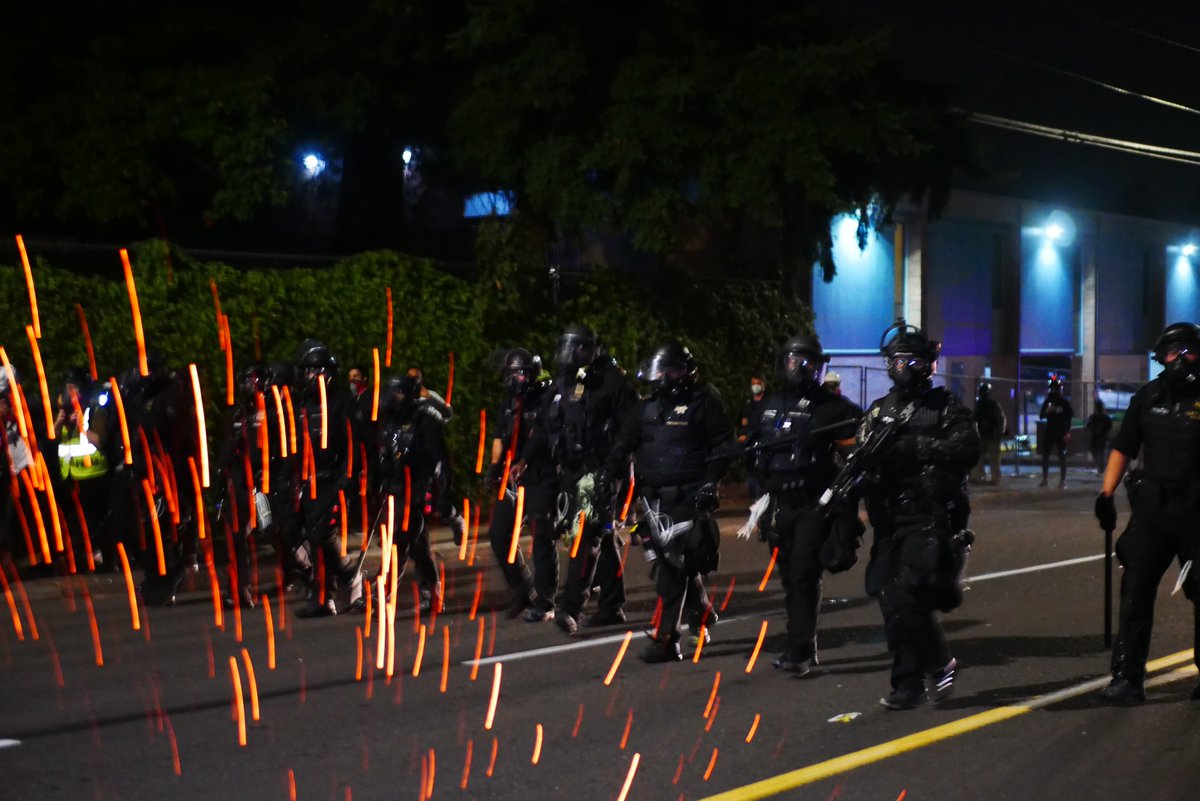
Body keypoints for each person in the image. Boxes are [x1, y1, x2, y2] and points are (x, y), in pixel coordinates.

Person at [860, 320, 980, 709]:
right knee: (887, 595)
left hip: (928, 517)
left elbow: (966, 449)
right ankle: (907, 683)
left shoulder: (945, 407)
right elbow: (859, 457)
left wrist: (916, 446)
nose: (904, 367)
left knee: (908, 591)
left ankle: (939, 661)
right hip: (889, 518)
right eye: (898, 359)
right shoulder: (879, 411)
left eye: (912, 360)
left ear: (928, 364)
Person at [605, 342, 739, 661]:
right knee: (671, 564)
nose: (666, 378)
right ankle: (702, 611)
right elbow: (623, 445)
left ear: (686, 371)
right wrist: (607, 475)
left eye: (673, 370)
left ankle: (667, 639)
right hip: (652, 502)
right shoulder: (645, 408)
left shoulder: (704, 402)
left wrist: (710, 482)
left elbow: (725, 445)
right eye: (662, 371)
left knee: (673, 570)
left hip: (689, 497)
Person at [1093, 322, 1200, 704]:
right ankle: (1126, 678)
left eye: (1190, 351)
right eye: (1174, 352)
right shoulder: (1146, 398)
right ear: (1160, 357)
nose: (1182, 360)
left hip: (1197, 510)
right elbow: (1124, 447)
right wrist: (1106, 495)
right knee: (1135, 592)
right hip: (1153, 509)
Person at [743, 334, 861, 674]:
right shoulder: (766, 405)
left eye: (808, 362)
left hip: (813, 502)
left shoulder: (835, 409)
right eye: (794, 360)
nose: (800, 368)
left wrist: (845, 506)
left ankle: (801, 650)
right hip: (776, 503)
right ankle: (800, 645)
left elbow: (854, 457)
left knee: (803, 574)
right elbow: (753, 447)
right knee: (788, 576)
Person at [524, 323, 636, 635]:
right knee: (598, 536)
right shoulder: (562, 383)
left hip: (601, 468)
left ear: (587, 348)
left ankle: (572, 606)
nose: (568, 355)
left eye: (574, 348)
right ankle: (613, 604)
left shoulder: (611, 381)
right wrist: (524, 459)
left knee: (587, 537)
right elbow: (546, 428)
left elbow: (630, 426)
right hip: (571, 471)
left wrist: (615, 466)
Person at [287, 339, 364, 617]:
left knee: (323, 533)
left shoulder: (342, 402)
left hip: (334, 479)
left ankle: (347, 576)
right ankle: (324, 596)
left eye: (311, 372)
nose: (306, 378)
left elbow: (353, 442)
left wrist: (349, 475)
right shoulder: (304, 405)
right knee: (308, 537)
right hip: (310, 481)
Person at [375, 372, 446, 611]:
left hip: (416, 488)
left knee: (400, 539)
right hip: (396, 489)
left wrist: (432, 492)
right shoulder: (391, 420)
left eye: (398, 392)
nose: (393, 397)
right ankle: (432, 590)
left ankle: (385, 590)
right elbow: (384, 452)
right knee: (417, 544)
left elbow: (435, 458)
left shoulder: (425, 420)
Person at [55, 367, 113, 569]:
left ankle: (103, 557)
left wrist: (81, 428)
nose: (70, 393)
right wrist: (59, 422)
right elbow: (51, 439)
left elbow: (100, 439)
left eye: (74, 389)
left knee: (95, 520)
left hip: (94, 474)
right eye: (68, 388)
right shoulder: (64, 411)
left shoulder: (94, 410)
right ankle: (81, 556)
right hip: (71, 476)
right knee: (73, 521)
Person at [970, 382, 1007, 485]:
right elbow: (974, 419)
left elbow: (1001, 420)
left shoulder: (989, 405)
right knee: (988, 458)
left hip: (990, 435)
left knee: (991, 458)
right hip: (985, 435)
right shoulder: (986, 405)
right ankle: (986, 477)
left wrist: (999, 431)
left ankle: (987, 477)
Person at [1039, 377, 1074, 488]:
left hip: (1061, 432)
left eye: (1056, 390)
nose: (1054, 392)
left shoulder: (1064, 402)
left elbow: (1069, 417)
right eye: (1052, 390)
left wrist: (1067, 432)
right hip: (1050, 432)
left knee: (1062, 456)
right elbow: (1041, 415)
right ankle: (1045, 479)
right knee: (1045, 456)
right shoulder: (1048, 401)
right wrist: (1047, 411)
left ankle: (1063, 480)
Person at [1085, 400, 1113, 476]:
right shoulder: (1095, 417)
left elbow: (1109, 426)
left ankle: (1101, 468)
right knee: (1099, 453)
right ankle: (1101, 468)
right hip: (1098, 438)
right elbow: (1088, 426)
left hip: (1100, 437)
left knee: (1100, 453)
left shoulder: (1102, 417)